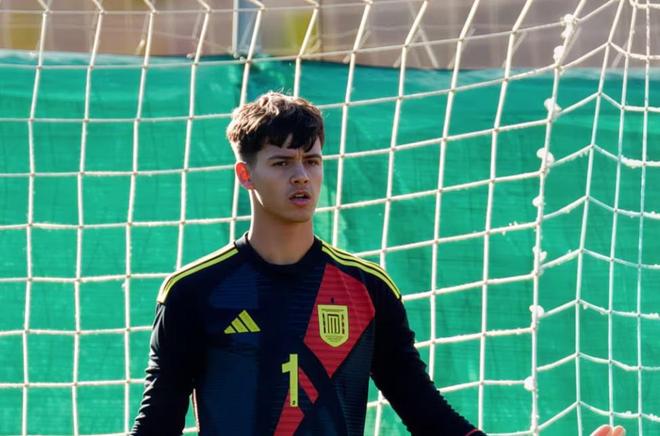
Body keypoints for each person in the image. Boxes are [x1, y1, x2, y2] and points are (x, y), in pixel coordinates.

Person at [130, 92, 621, 436]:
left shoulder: (367, 289)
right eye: (281, 163)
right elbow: (157, 424)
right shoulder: (195, 291)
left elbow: (426, 413)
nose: (301, 176)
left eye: (312, 160)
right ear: (246, 174)